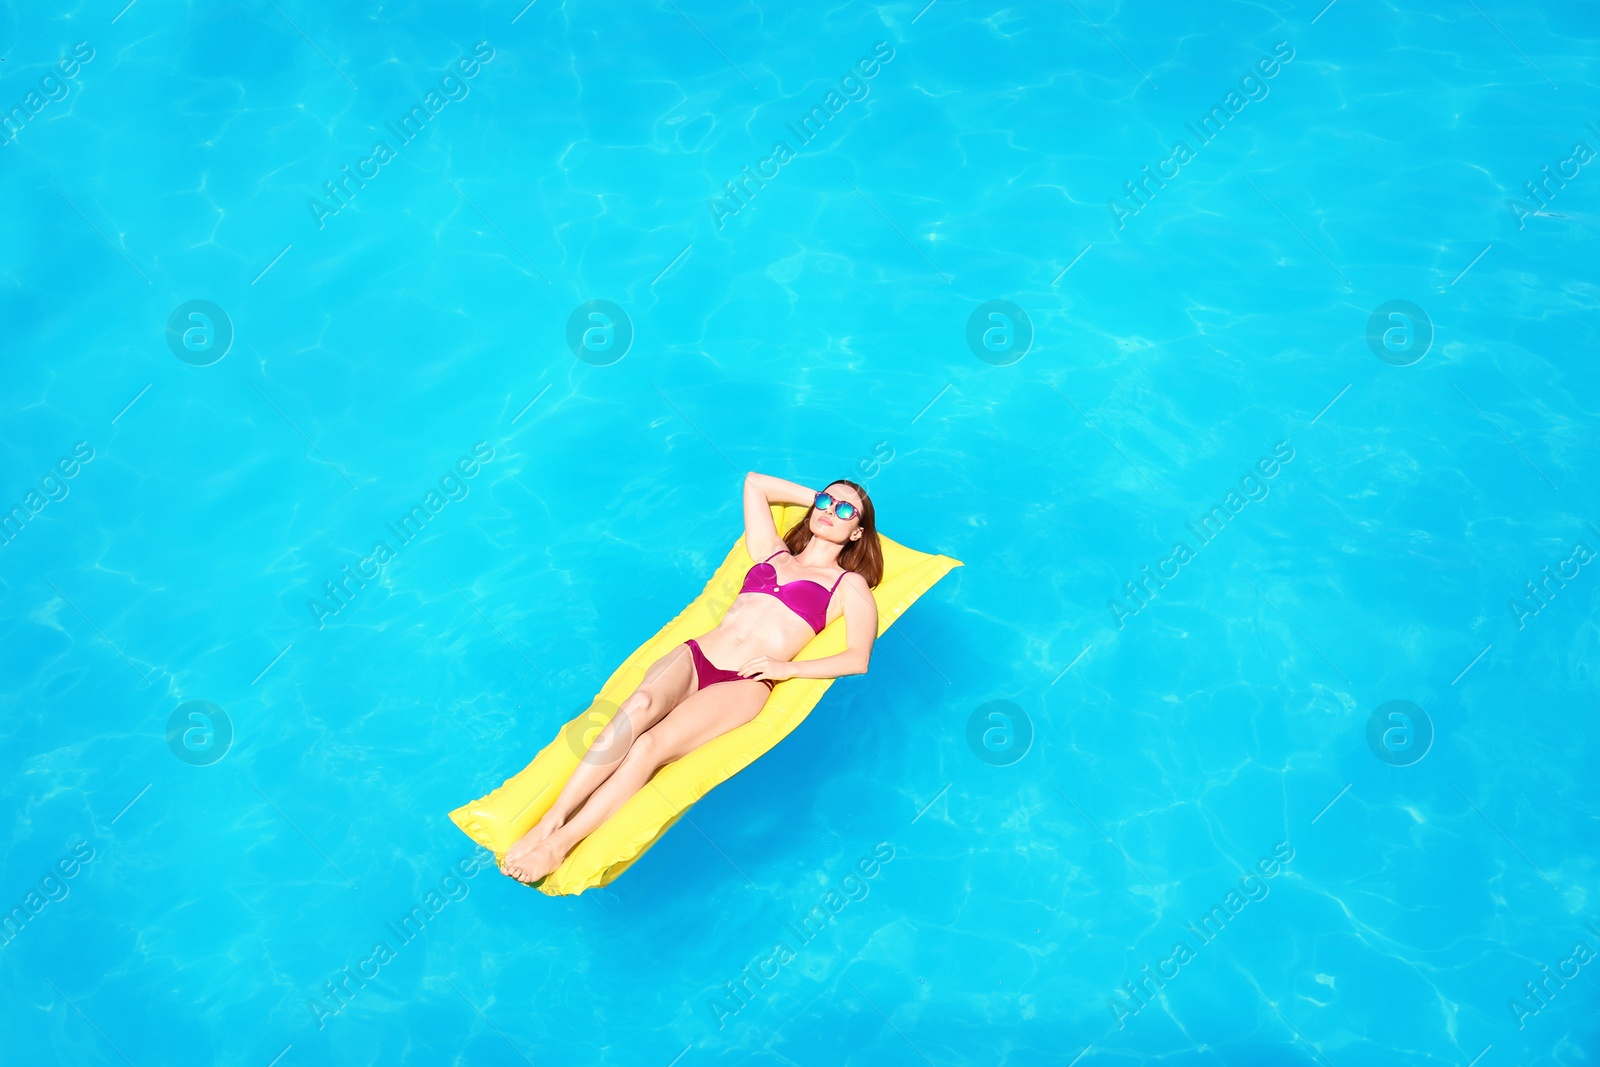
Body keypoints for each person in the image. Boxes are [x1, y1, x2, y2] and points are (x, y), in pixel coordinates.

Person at [499, 472, 884, 885]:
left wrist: (787, 669)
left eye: (846, 510)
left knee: (649, 746)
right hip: (699, 653)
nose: (830, 511)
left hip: (744, 681)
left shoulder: (848, 584)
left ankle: (562, 844)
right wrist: (822, 501)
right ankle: (550, 822)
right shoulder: (772, 553)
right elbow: (754, 483)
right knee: (636, 709)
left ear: (858, 531)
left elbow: (857, 658)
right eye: (826, 502)